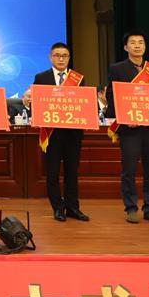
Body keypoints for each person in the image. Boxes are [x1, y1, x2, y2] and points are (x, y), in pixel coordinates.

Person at [105, 31, 149, 224]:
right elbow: (112, 97)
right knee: (129, 170)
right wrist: (125, 117)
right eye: (133, 43)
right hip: (129, 128)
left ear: (145, 46)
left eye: (141, 42)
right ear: (126, 47)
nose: (137, 46)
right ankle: (131, 208)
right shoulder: (117, 68)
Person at [23, 42, 90, 222]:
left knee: (71, 172)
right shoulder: (41, 77)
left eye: (64, 56)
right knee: (52, 173)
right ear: (50, 57)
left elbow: (83, 104)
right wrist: (28, 104)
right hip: (52, 134)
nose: (61, 59)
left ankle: (73, 207)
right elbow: (36, 103)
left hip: (73, 133)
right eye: (57, 55)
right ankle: (58, 208)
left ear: (69, 58)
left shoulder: (78, 78)